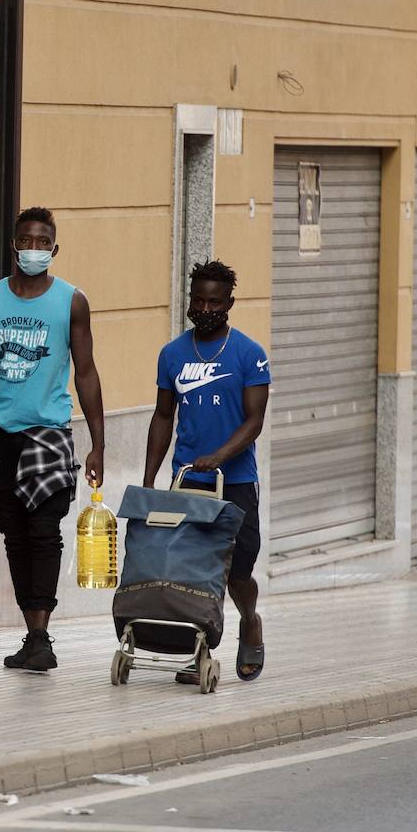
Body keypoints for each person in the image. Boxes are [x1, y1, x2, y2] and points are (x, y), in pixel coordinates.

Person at [0, 207, 106, 672]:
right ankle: (32, 634)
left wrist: (98, 443)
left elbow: (85, 372)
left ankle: (42, 635)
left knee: (45, 534)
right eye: (27, 241)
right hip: (1, 432)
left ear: (54, 250)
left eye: (43, 242)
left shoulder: (70, 302)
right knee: (14, 535)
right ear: (13, 246)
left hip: (49, 434)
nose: (34, 249)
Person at [143, 260, 269, 682]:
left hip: (234, 484)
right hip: (188, 484)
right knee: (192, 574)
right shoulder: (172, 354)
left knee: (237, 574)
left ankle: (249, 619)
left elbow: (254, 421)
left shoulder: (250, 354)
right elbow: (163, 417)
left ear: (229, 303)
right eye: (198, 299)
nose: (205, 307)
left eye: (214, 301)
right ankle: (200, 656)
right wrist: (150, 482)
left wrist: (219, 455)